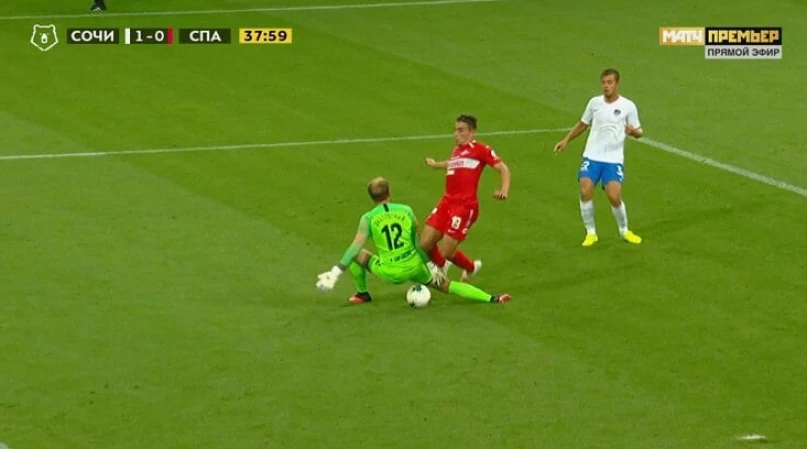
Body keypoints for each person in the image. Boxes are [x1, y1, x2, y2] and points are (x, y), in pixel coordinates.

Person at [315, 177, 511, 305]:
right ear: (389, 193)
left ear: (371, 198)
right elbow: (419, 243)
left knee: (357, 254)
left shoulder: (368, 218)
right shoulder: (406, 210)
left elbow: (354, 248)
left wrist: (335, 272)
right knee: (447, 286)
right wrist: (433, 267)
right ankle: (492, 298)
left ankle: (362, 294)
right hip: (415, 266)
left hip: (390, 271)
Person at [553, 68, 643, 247]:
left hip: (613, 159)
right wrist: (566, 140)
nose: (606, 86)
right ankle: (591, 233)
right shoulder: (594, 103)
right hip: (592, 156)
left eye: (610, 82)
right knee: (585, 190)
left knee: (614, 196)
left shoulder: (628, 106)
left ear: (617, 84)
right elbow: (582, 124)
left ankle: (624, 230)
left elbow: (640, 132)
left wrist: (633, 132)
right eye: (603, 83)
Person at [421, 114, 511, 281]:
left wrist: (504, 190)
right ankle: (464, 267)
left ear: (472, 132)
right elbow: (452, 163)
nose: (456, 134)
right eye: (455, 130)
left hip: (464, 206)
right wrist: (435, 164)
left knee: (445, 251)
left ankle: (443, 270)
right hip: (446, 202)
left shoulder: (481, 149)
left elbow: (503, 169)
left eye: (461, 130)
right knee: (425, 243)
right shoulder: (456, 151)